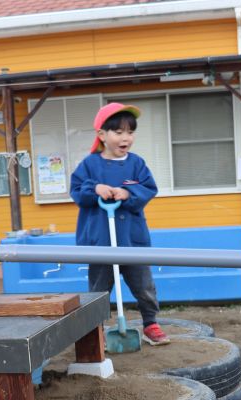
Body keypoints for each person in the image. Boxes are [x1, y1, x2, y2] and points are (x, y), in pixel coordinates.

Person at [70, 102, 169, 346]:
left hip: (131, 240)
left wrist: (127, 193)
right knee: (98, 289)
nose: (126, 137)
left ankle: (150, 323)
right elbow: (76, 190)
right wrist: (96, 189)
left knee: (144, 285)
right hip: (101, 241)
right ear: (102, 135)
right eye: (119, 132)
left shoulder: (136, 164)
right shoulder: (90, 165)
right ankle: (97, 329)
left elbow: (148, 188)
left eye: (130, 132)